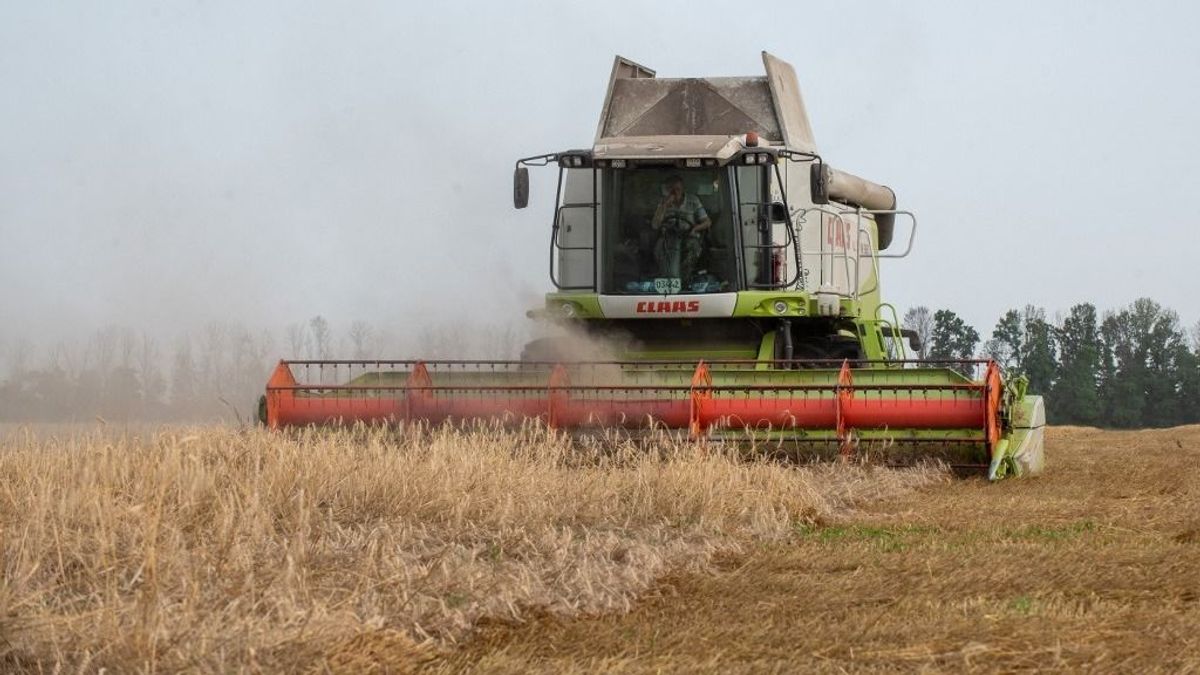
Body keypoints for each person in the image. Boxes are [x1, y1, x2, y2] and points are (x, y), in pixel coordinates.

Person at [650, 175, 711, 281]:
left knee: (694, 249)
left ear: (682, 189)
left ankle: (684, 279)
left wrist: (695, 228)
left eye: (677, 189)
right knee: (658, 249)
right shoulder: (663, 202)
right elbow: (655, 225)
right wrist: (664, 206)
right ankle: (664, 276)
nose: (675, 193)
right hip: (668, 237)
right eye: (672, 190)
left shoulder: (693, 201)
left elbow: (707, 222)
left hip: (688, 235)